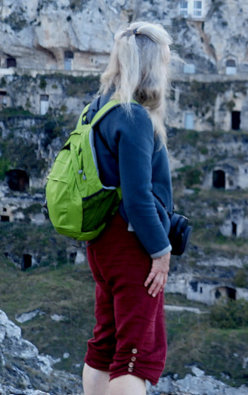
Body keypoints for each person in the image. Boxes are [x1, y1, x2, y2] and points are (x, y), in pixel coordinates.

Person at [81, 21, 173, 395]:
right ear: (152, 66)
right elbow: (137, 199)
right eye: (165, 60)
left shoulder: (99, 107)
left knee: (106, 342)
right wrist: (161, 251)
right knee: (135, 351)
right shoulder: (134, 117)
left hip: (102, 241)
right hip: (130, 243)